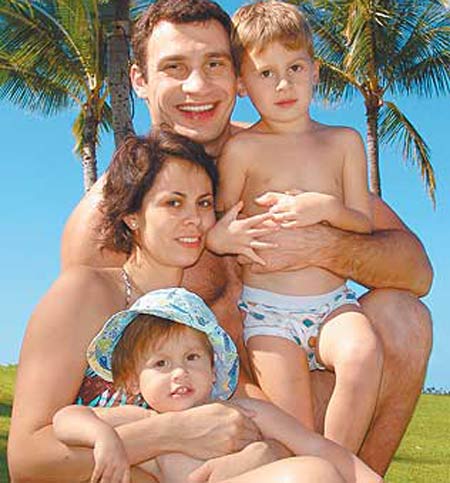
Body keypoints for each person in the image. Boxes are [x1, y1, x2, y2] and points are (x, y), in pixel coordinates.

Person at [29, 0, 431, 476]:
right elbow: (84, 405)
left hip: (312, 385)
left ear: (238, 76)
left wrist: (323, 245)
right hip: (210, 422)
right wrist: (178, 433)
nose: (197, 86)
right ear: (139, 79)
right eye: (174, 67)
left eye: (214, 64)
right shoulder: (109, 219)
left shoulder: (281, 152)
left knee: (404, 318)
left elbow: (416, 272)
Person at [206, 0, 383, 454]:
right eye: (266, 73)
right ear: (242, 85)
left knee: (363, 353)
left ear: (315, 71)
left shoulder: (343, 142)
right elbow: (219, 220)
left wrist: (325, 207)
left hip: (333, 303)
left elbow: (362, 224)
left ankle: (339, 465)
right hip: (269, 314)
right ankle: (321, 466)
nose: (283, 84)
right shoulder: (243, 150)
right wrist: (221, 238)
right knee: (295, 431)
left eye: (296, 68)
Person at [53, 287, 381, 483]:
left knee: (316, 471)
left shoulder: (246, 412)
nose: (179, 373)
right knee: (311, 475)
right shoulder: (143, 419)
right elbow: (66, 418)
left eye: (192, 357)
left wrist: (369, 479)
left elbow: (317, 445)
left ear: (213, 370)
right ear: (134, 382)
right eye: (161, 364)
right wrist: (103, 437)